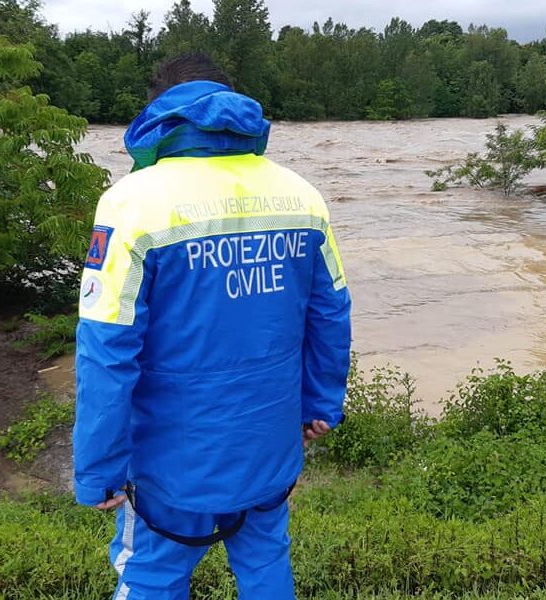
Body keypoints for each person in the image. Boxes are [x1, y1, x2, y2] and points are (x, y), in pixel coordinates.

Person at [72, 53, 352, 600]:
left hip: (173, 465)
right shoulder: (302, 196)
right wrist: (320, 405)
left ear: (159, 109)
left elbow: (107, 349)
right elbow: (330, 314)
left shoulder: (132, 202)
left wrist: (99, 467)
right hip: (268, 446)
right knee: (267, 562)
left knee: (151, 574)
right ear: (233, 105)